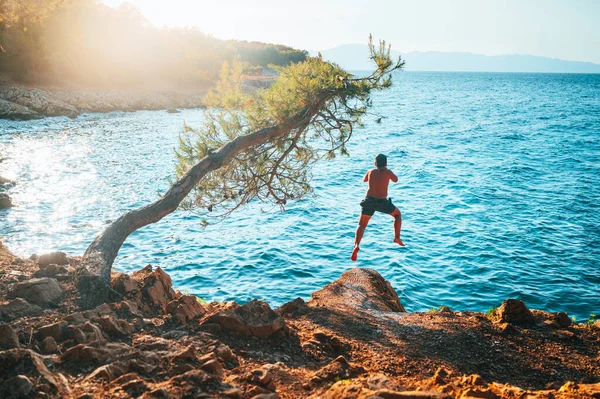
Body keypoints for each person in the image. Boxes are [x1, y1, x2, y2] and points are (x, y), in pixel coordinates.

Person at [351, 154, 405, 261]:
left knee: (361, 224)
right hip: (381, 202)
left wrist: (372, 173)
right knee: (397, 215)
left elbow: (364, 180)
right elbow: (396, 180)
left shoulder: (370, 171)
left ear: (375, 163)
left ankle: (356, 245)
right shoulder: (388, 172)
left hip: (369, 200)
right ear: (386, 163)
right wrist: (388, 171)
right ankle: (397, 237)